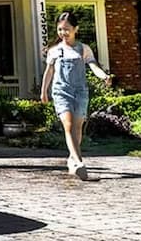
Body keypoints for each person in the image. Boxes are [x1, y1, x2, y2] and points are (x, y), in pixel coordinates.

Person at [39, 11, 112, 180]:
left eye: (67, 29)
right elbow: (48, 72)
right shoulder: (55, 51)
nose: (63, 33)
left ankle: (72, 159)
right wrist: (43, 91)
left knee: (78, 128)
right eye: (60, 29)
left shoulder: (83, 49)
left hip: (80, 92)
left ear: (75, 29)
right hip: (61, 91)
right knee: (69, 125)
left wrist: (104, 76)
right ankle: (79, 162)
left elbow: (93, 66)